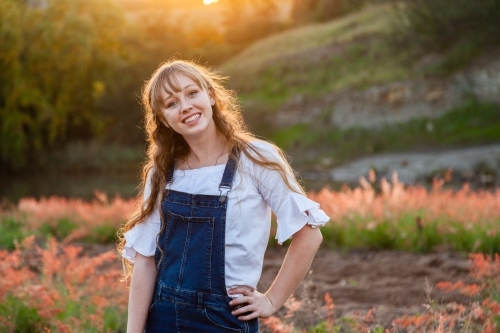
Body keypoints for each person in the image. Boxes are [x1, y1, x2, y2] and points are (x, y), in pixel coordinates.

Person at [116, 60, 329, 333]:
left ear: (211, 95)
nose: (186, 107)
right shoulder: (161, 174)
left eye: (192, 93)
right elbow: (145, 260)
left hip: (224, 320)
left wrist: (272, 300)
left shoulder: (256, 158)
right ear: (163, 120)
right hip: (163, 317)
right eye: (171, 103)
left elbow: (310, 233)